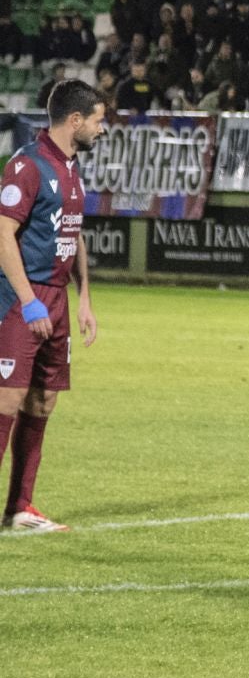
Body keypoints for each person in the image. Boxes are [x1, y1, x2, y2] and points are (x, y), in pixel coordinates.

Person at [0, 81, 105, 532]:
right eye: (99, 120)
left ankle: (21, 508)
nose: (104, 128)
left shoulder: (70, 168)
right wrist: (28, 303)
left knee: (42, 402)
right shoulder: (27, 165)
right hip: (22, 300)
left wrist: (84, 299)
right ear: (75, 120)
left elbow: (73, 232)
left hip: (57, 301)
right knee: (8, 399)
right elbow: (3, 235)